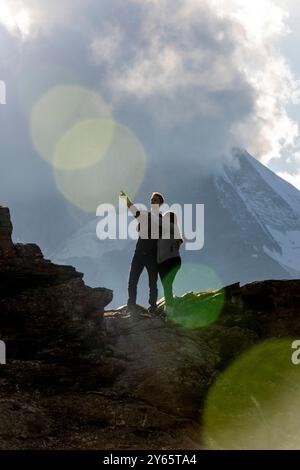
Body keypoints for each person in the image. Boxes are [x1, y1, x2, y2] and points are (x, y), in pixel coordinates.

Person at [120, 190, 164, 314]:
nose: (152, 201)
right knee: (132, 280)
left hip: (152, 255)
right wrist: (125, 199)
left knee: (152, 283)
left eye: (155, 200)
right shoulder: (144, 215)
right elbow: (132, 209)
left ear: (160, 203)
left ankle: (153, 307)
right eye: (152, 199)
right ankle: (131, 305)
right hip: (139, 253)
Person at [157, 211, 183, 313]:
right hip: (162, 262)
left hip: (171, 260)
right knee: (166, 286)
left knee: (167, 285)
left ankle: (169, 311)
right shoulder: (161, 233)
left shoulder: (172, 227)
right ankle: (169, 307)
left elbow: (179, 241)